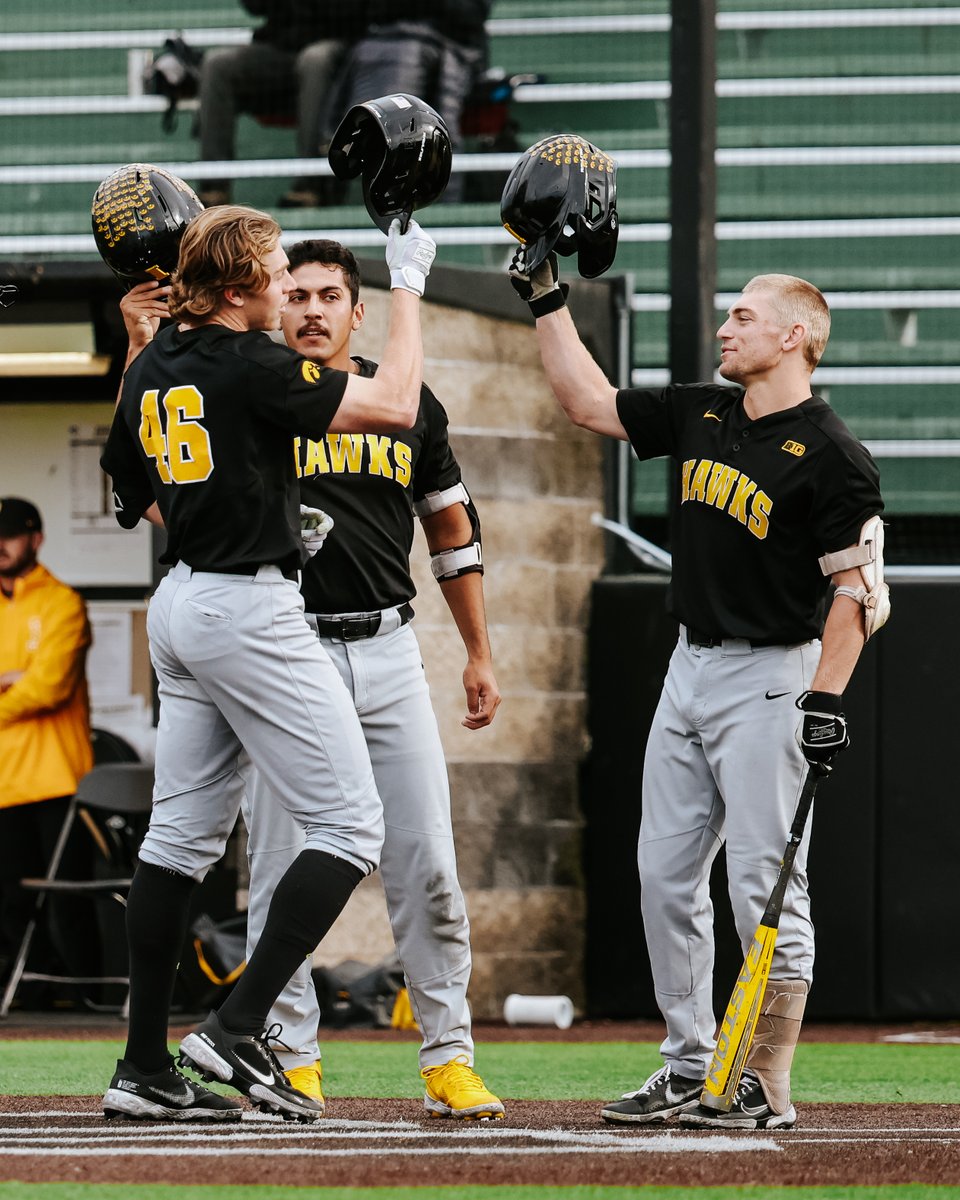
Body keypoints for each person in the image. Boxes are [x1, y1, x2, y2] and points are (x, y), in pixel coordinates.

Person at [508, 256, 887, 1130]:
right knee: (663, 877)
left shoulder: (834, 456)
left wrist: (825, 699)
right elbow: (586, 403)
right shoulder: (701, 408)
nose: (725, 329)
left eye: (744, 318)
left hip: (772, 677)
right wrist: (546, 298)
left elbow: (857, 594)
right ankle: (689, 1063)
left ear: (795, 336)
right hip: (690, 666)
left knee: (764, 884)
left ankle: (765, 1082)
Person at [99, 204, 437, 1123]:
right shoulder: (248, 359)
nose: (290, 286)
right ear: (242, 285)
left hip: (182, 600)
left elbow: (133, 487)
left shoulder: (159, 357)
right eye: (280, 272)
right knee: (351, 826)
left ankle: (141, 1067)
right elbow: (397, 405)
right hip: (246, 606)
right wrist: (406, 284)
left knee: (176, 843)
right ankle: (237, 1025)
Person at [243, 239, 502, 1119]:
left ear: (360, 314)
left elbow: (452, 532)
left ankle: (447, 1058)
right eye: (297, 295)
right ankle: (289, 1052)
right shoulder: (257, 393)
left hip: (389, 648)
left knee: (425, 857)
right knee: (280, 862)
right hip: (286, 648)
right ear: (275, 309)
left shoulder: (407, 402)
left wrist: (478, 651)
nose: (311, 310)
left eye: (329, 297)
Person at [0, 498, 96, 999]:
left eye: (11, 533)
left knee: (68, 900)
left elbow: (49, 687)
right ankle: (27, 997)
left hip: (58, 777)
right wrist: (16, 681)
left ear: (35, 539)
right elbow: (29, 687)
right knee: (9, 899)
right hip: (4, 780)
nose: (1, 544)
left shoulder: (61, 601)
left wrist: (19, 684)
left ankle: (83, 996)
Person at [197, 1, 369, 208]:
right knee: (217, 64)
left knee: (314, 61)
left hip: (340, 43)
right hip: (283, 44)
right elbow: (256, 7)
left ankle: (312, 185)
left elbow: (354, 11)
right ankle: (213, 189)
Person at [332, 1, 489, 202]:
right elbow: (367, 12)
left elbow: (470, 13)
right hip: (382, 42)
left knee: (408, 59)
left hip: (450, 46)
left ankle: (442, 197)